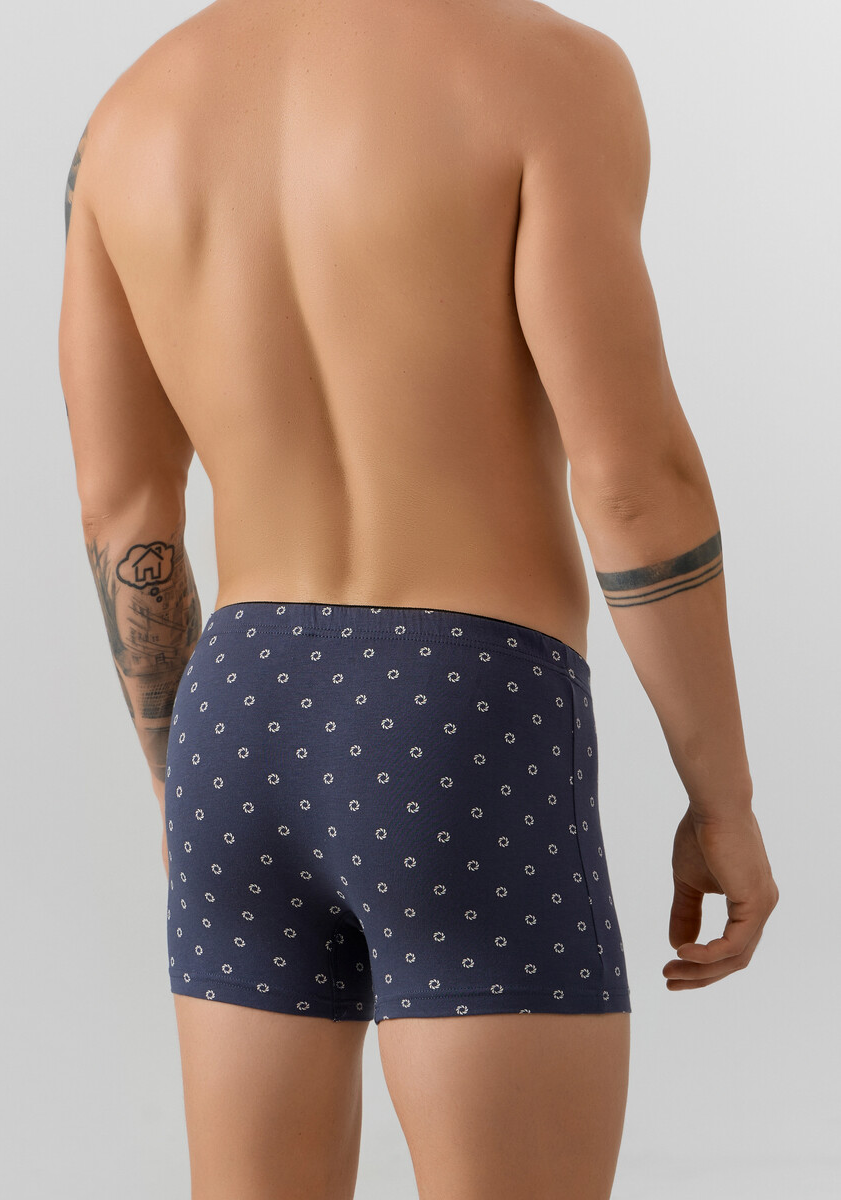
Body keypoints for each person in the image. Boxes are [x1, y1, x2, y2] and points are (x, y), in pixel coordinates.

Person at [58, 1, 779, 1196]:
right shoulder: (547, 73)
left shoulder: (129, 117)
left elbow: (123, 510)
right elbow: (634, 482)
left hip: (236, 720)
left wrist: (184, 779)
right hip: (463, 713)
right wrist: (725, 800)